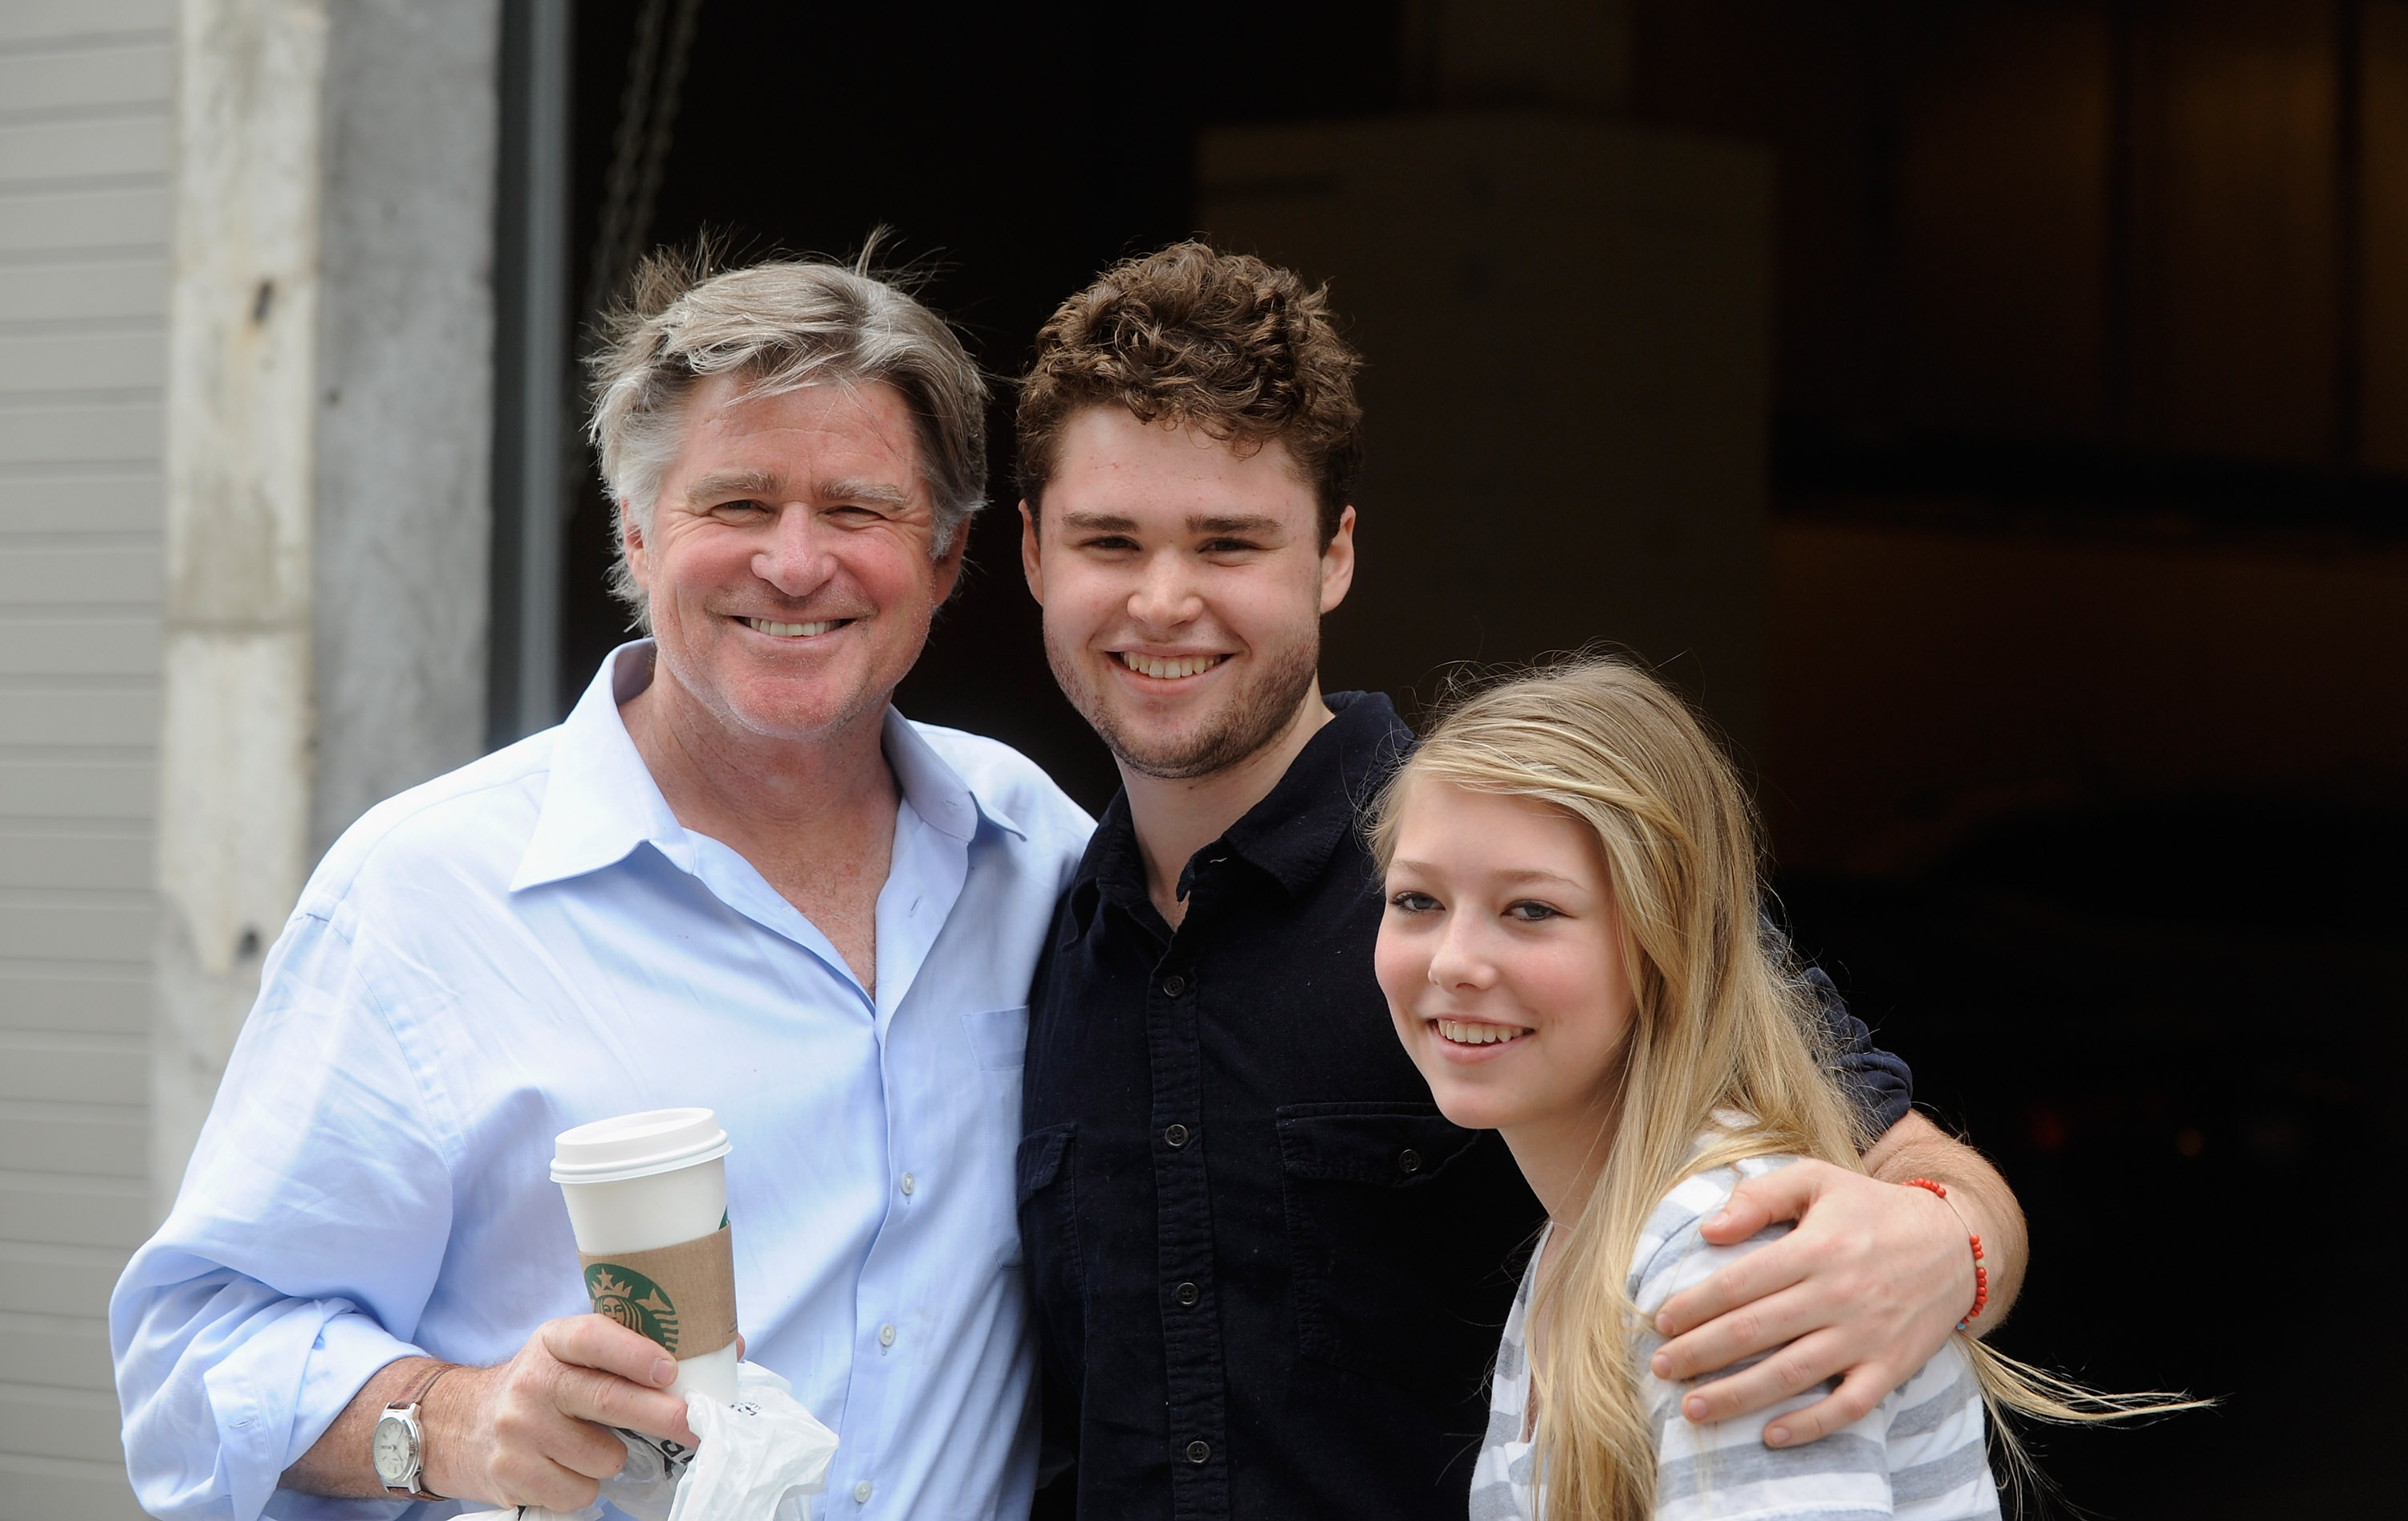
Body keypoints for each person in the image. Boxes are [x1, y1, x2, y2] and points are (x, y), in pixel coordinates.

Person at [1013, 242, 2030, 1520]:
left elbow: (1885, 1153)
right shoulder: (1015, 923)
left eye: (1229, 542)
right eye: (1110, 540)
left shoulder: (1508, 870)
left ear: (1331, 557)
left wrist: (1951, 1243)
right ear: (1036, 555)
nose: (1165, 600)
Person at [110, 254, 1092, 1521]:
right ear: (636, 531)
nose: (795, 566)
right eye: (736, 503)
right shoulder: (426, 894)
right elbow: (189, 1357)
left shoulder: (1035, 850)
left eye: (858, 510)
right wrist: (449, 1419)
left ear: (949, 556)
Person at [1371, 658, 2000, 1520]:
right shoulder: (1587, 1233)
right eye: (1416, 900)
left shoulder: (1722, 1247)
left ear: (1667, 936)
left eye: (1531, 909)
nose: (1453, 961)